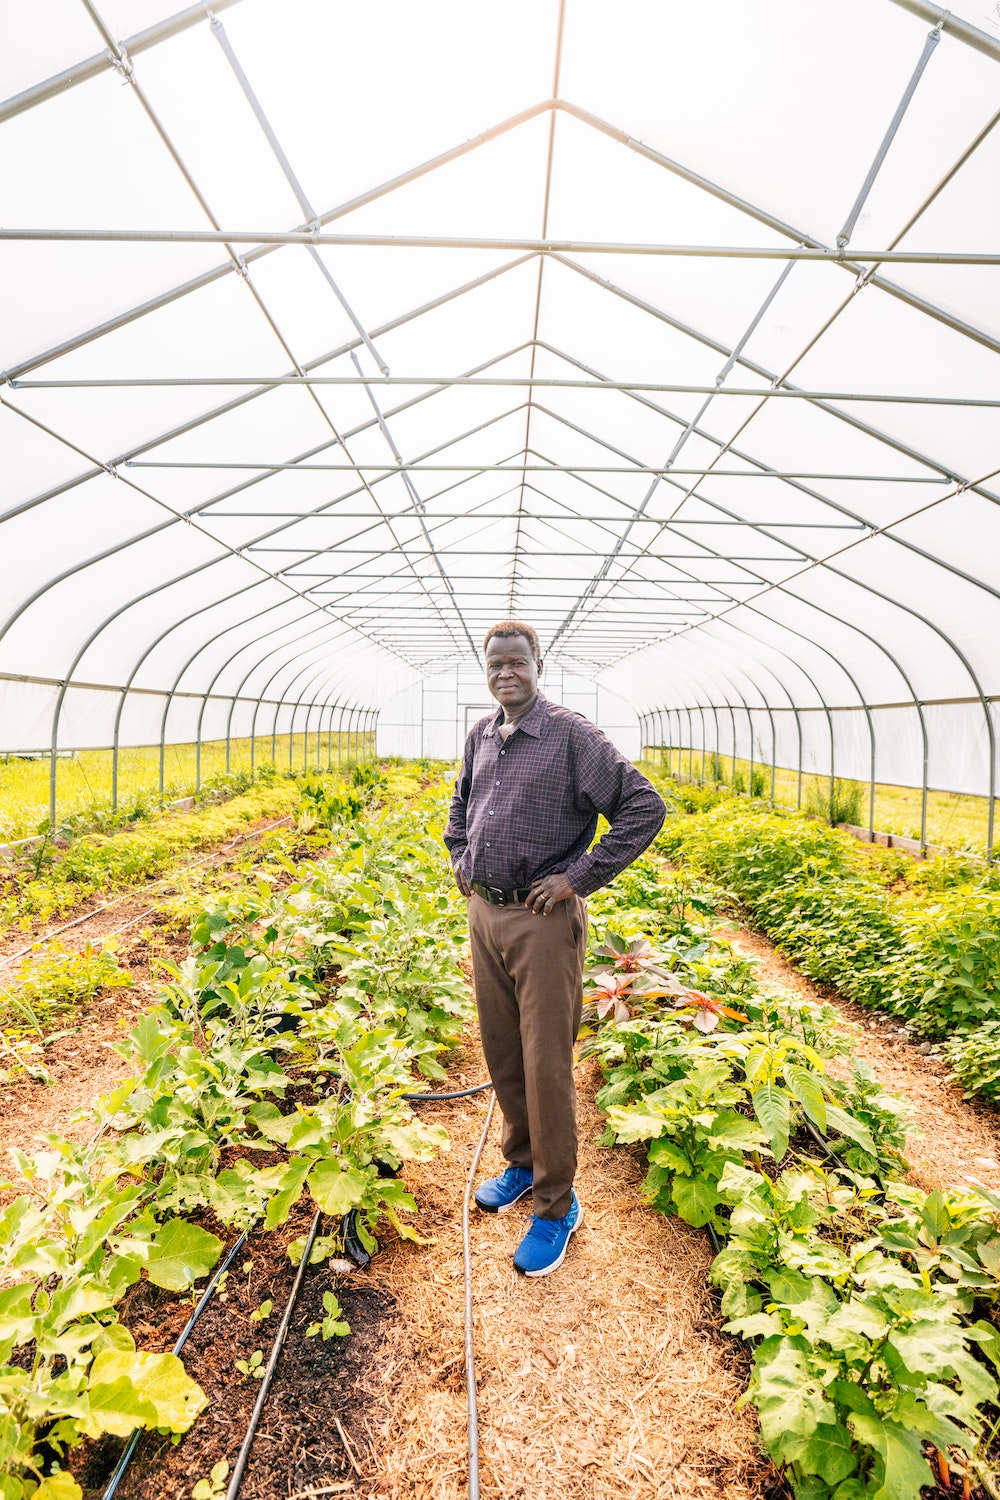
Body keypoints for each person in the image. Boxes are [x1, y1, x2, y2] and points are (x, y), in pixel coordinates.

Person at [443, 621, 666, 1277]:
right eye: (495, 663)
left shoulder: (570, 735)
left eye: (517, 661)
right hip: (486, 914)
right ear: (485, 670)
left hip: (543, 923)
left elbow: (643, 806)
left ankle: (555, 1206)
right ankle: (520, 1162)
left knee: (544, 1065)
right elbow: (460, 808)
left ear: (538, 664)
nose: (505, 672)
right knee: (503, 1048)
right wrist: (462, 863)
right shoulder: (481, 735)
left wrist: (580, 876)